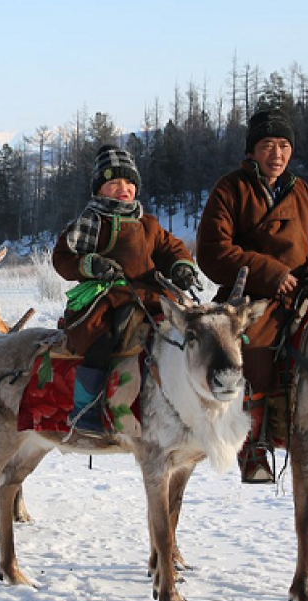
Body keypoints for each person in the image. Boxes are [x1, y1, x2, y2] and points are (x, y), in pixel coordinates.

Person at [196, 108, 308, 483]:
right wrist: (271, 273)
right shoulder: (230, 189)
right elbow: (214, 250)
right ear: (252, 150)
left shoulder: (304, 193)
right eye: (268, 145)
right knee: (255, 351)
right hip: (250, 297)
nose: (276, 154)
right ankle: (255, 445)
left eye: (283, 145)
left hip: (306, 293)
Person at [53, 145, 200, 432]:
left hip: (150, 294)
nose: (124, 188)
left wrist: (181, 265)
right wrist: (92, 265)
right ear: (99, 190)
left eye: (129, 182)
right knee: (103, 338)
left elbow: (172, 249)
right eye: (113, 183)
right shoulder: (91, 222)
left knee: (187, 328)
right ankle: (87, 407)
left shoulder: (149, 224)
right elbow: (62, 258)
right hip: (108, 296)